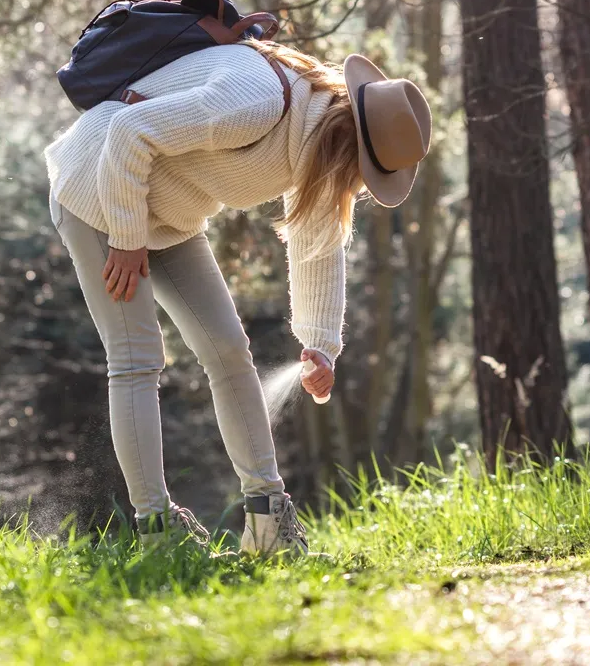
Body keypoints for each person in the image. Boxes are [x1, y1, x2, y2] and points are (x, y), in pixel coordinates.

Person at [43, 38, 432, 555]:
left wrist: (320, 346)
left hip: (169, 213)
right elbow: (127, 130)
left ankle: (268, 519)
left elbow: (319, 244)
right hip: (97, 187)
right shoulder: (259, 104)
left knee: (229, 350)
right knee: (136, 357)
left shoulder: (312, 146)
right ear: (348, 143)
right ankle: (157, 532)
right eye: (365, 174)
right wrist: (127, 238)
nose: (361, 188)